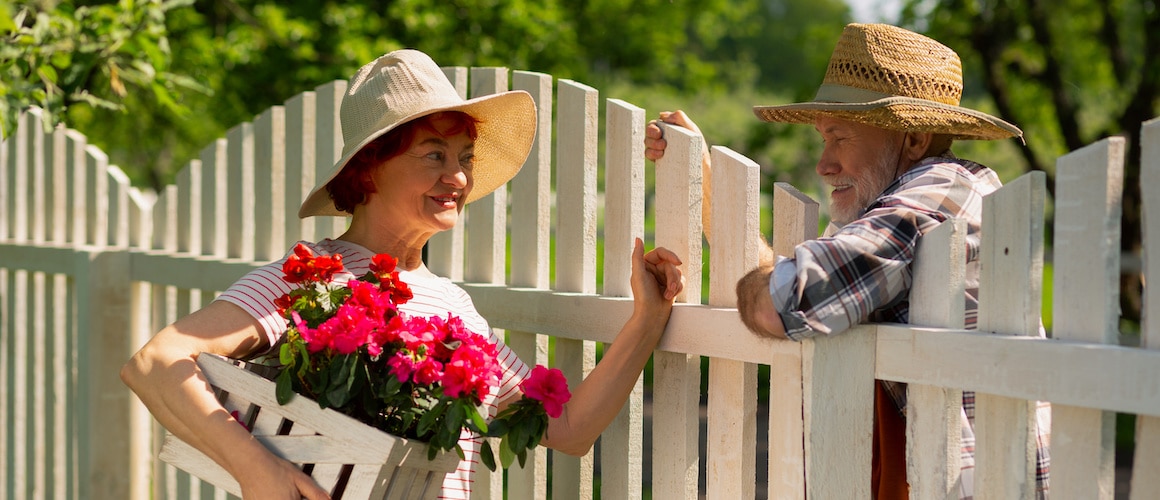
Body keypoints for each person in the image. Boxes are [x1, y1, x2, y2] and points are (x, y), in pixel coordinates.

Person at [122, 49, 685, 500]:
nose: (459, 178)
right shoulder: (312, 278)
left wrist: (646, 319)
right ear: (368, 170)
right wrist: (258, 471)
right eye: (433, 155)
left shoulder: (454, 308)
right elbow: (155, 362)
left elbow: (568, 431)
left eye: (464, 157)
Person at [643, 23, 1049, 499]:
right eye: (823, 140)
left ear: (914, 139)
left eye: (840, 137)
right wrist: (705, 181)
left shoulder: (939, 194)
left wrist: (768, 286)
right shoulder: (890, 202)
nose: (823, 164)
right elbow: (790, 280)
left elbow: (791, 297)